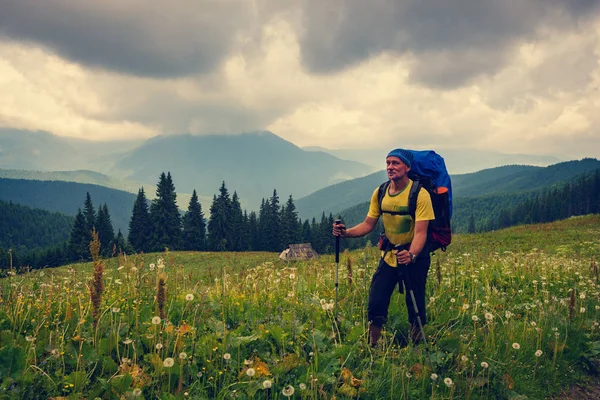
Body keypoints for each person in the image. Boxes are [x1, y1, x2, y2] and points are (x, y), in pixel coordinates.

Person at [332, 148, 435, 346]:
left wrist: (412, 254)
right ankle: (373, 345)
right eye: (388, 163)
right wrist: (345, 233)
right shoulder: (380, 193)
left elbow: (421, 232)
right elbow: (367, 225)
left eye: (395, 163)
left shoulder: (420, 195)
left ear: (407, 167)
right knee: (376, 300)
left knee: (415, 304)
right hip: (390, 256)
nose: (390, 167)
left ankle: (417, 345)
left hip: (414, 257)